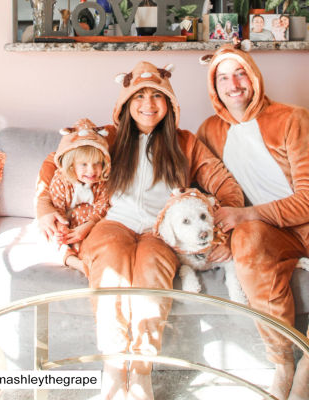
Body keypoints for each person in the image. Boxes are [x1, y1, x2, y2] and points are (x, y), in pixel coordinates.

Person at [36, 61, 244, 400]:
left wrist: (228, 228)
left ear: (170, 104)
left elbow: (224, 184)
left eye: (157, 96)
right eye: (139, 96)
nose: (148, 104)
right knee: (111, 272)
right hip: (111, 224)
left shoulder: (185, 142)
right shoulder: (109, 135)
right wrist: (44, 206)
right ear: (126, 103)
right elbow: (54, 160)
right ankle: (115, 369)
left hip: (159, 231)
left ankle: (142, 372)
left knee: (151, 276)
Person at [197, 43, 309, 400]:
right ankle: (283, 361)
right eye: (223, 77)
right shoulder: (209, 131)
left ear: (254, 76)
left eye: (240, 73)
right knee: (246, 242)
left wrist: (247, 213)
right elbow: (204, 189)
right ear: (214, 86)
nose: (233, 84)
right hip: (270, 231)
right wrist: (222, 234)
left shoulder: (292, 118)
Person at [49, 119, 110, 273]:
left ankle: (89, 256)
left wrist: (89, 225)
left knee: (104, 234)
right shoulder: (61, 180)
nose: (91, 171)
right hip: (64, 221)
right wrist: (62, 229)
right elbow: (57, 207)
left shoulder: (101, 182)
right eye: (84, 164)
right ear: (71, 164)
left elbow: (103, 206)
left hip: (90, 222)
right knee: (49, 235)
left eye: (97, 163)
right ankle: (73, 261)